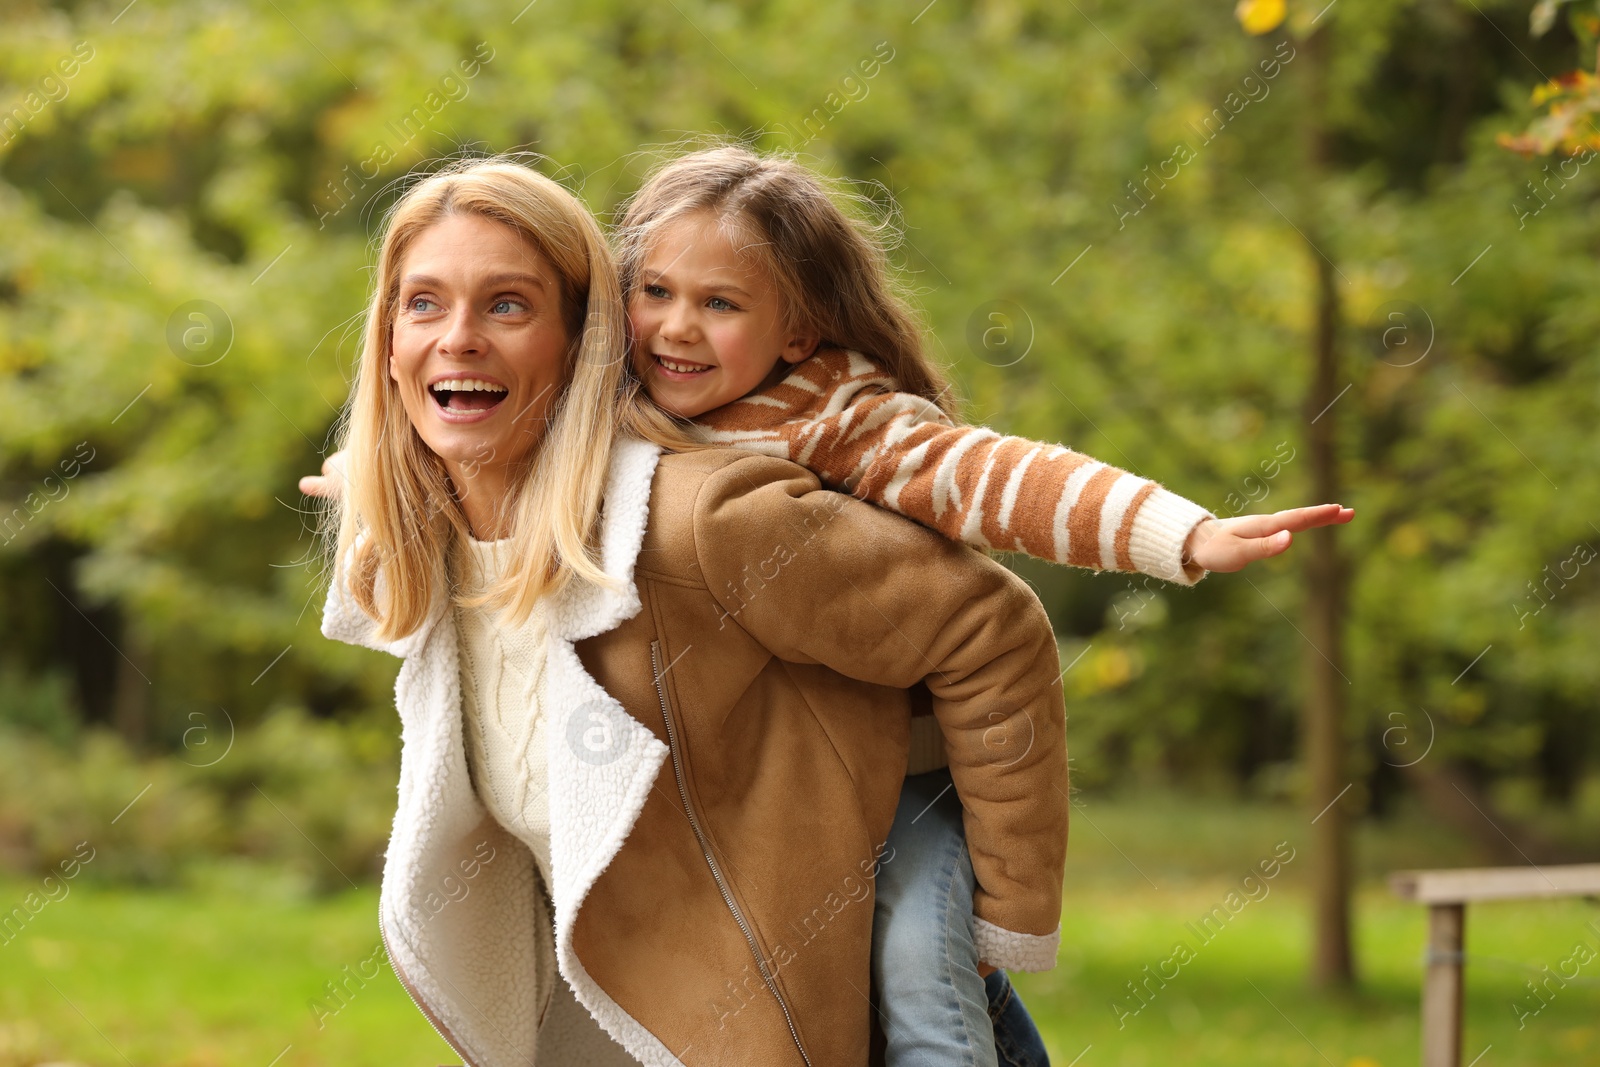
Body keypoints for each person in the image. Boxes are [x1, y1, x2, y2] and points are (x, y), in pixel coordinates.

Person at [606, 145, 1355, 1067]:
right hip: (768, 788)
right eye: (656, 292)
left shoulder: (839, 415)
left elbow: (994, 475)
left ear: (798, 331)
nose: (676, 327)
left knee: (923, 975)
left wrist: (1182, 533)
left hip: (911, 786)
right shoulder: (611, 411)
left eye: (719, 304)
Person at [316, 156, 1070, 1066]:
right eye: (423, 303)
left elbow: (990, 626)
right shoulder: (432, 554)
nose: (458, 337)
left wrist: (1004, 914)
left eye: (507, 305)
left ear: (585, 338)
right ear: (388, 342)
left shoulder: (696, 521)